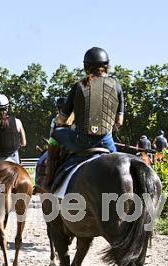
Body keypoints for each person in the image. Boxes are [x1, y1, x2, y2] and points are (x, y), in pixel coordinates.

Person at [43, 47, 124, 190]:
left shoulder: (79, 86)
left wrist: (59, 122)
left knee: (55, 135)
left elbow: (63, 119)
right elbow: (119, 122)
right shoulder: (117, 86)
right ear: (106, 65)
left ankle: (48, 179)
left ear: (86, 66)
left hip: (81, 141)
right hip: (106, 142)